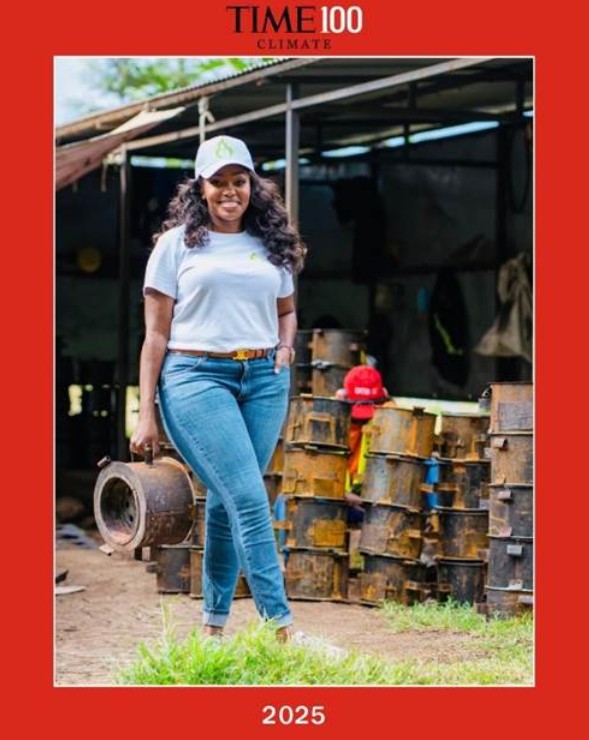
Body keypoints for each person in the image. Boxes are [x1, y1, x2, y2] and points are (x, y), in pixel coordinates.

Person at [130, 134, 307, 642]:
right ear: (200, 188)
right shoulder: (174, 246)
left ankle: (213, 627)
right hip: (195, 377)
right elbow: (156, 335)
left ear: (252, 184)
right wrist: (146, 414)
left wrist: (286, 348)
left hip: (264, 381)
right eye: (219, 182)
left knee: (232, 500)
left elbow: (287, 311)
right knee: (250, 499)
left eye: (239, 181)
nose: (230, 191)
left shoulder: (271, 244)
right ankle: (283, 629)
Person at [335, 365, 391, 517]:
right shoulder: (332, 420)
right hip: (337, 499)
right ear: (343, 397)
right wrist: (342, 495)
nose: (362, 420)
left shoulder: (389, 420)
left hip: (372, 503)